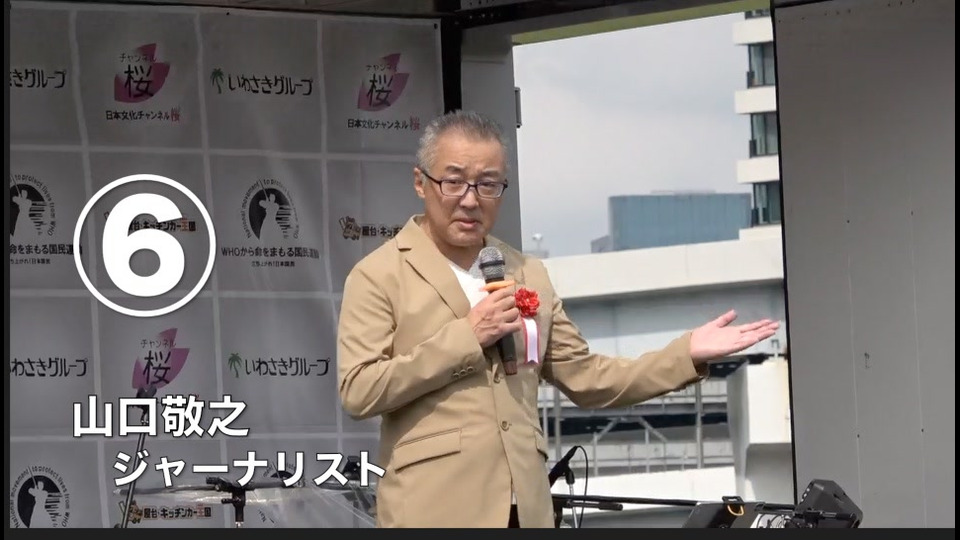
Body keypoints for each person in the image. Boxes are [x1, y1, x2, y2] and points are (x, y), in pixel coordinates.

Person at [336, 110, 780, 528]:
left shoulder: (526, 272)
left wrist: (686, 353)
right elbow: (358, 390)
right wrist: (467, 337)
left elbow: (587, 377)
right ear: (421, 182)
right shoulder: (380, 274)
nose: (470, 200)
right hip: (433, 507)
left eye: (488, 184)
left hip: (526, 505)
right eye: (454, 182)